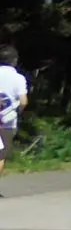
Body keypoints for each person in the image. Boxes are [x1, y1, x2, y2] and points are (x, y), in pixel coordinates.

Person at [0, 45, 27, 179]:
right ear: (14, 60)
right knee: (1, 155)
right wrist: (17, 112)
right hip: (7, 122)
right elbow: (23, 101)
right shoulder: (19, 78)